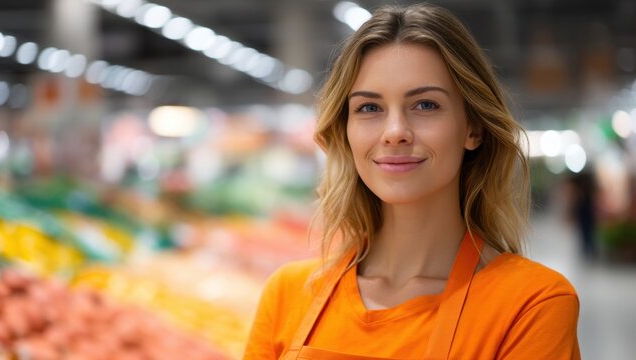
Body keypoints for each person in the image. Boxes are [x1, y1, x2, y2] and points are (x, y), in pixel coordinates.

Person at [244, 3, 580, 359]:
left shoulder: (531, 304)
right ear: (346, 131)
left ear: (474, 128)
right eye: (369, 108)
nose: (395, 133)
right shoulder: (287, 294)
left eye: (425, 105)